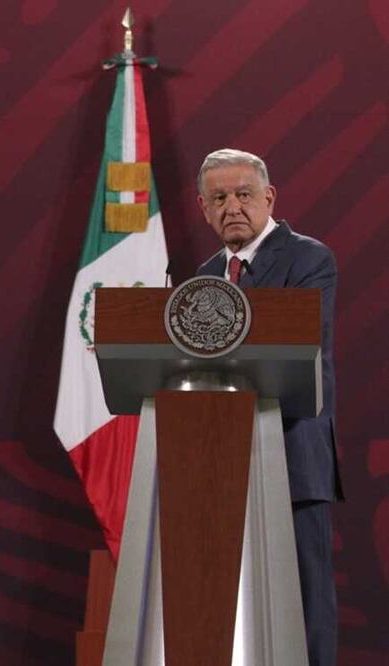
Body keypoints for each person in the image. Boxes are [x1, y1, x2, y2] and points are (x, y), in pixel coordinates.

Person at [195, 148, 342, 666]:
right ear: (203, 208)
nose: (232, 206)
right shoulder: (204, 275)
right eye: (219, 198)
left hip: (292, 452)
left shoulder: (308, 258)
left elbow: (297, 346)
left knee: (304, 597)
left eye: (243, 195)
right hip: (219, 462)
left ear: (269, 198)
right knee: (227, 603)